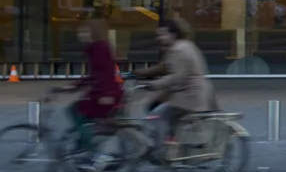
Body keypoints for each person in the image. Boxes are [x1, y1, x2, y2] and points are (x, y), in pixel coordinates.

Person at [130, 16, 217, 151]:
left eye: (163, 34)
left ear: (173, 34)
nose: (159, 38)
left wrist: (155, 84)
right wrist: (138, 73)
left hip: (188, 95)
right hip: (192, 92)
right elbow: (164, 67)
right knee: (163, 112)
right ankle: (170, 143)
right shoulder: (184, 45)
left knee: (157, 116)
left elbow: (178, 76)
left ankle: (164, 149)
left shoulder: (179, 50)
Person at [61, 18, 124, 154]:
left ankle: (87, 146)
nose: (80, 35)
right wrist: (76, 86)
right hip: (104, 93)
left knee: (75, 110)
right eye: (79, 32)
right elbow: (95, 74)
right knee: (82, 113)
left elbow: (104, 73)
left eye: (84, 32)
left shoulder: (99, 48)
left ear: (93, 32)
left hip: (105, 94)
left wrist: (107, 94)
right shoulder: (97, 47)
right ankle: (86, 142)